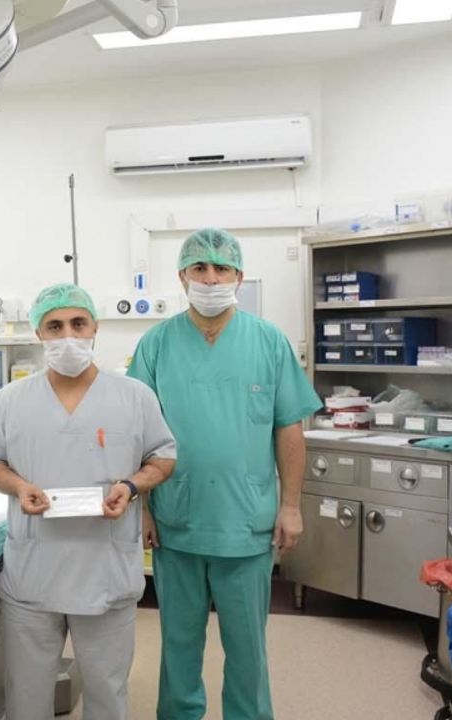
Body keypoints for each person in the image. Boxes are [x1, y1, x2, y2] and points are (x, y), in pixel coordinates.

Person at [127, 229, 323, 720]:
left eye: (221, 268)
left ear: (238, 275)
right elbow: (137, 433)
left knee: (248, 648)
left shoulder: (268, 341)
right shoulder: (156, 344)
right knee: (178, 643)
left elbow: (289, 428)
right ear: (182, 276)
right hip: (177, 519)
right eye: (200, 268)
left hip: (246, 522)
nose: (210, 278)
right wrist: (143, 508)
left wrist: (291, 506)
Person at [0, 283, 177, 720]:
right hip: (34, 570)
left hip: (106, 570)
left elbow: (163, 457)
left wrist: (132, 486)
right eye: (55, 326)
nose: (68, 335)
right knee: (26, 696)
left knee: (107, 693)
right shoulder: (11, 400)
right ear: (39, 333)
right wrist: (18, 486)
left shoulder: (134, 396)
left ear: (95, 328)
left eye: (78, 323)